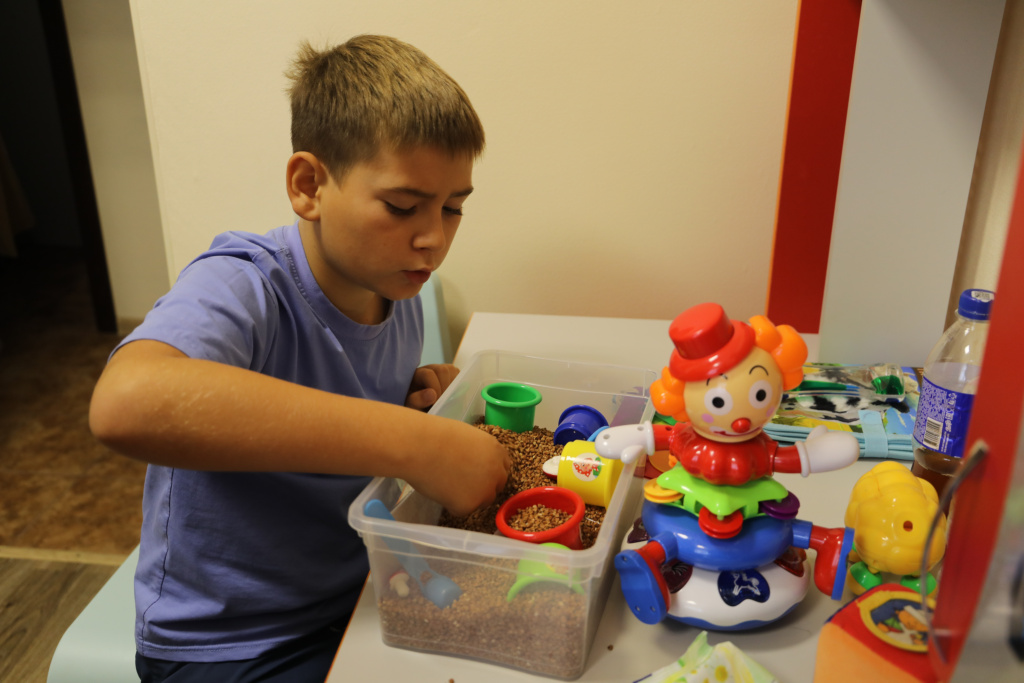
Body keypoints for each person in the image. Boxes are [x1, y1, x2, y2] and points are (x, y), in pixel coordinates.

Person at [89, 35, 511, 682]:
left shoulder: (397, 289)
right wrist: (413, 442)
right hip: (233, 640)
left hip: (358, 593)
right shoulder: (244, 283)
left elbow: (333, 404)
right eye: (402, 207)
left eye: (453, 208)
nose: (433, 237)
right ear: (309, 185)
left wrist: (416, 394)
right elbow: (125, 403)